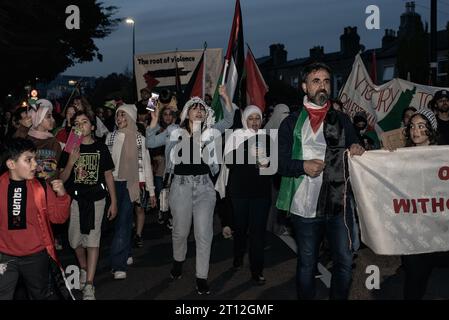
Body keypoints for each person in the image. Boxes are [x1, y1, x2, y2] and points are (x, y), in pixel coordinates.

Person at [276, 62, 365, 300]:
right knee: (307, 263)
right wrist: (302, 166)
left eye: (326, 81)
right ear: (305, 86)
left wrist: (357, 146)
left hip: (339, 203)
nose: (322, 85)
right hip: (304, 206)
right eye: (316, 81)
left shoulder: (343, 119)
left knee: (345, 262)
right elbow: (279, 163)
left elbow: (357, 144)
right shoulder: (290, 122)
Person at [146, 85, 235, 295]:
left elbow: (229, 121)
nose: (199, 111)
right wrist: (154, 116)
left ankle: (201, 277)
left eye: (202, 108)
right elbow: (149, 142)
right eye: (195, 108)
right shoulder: (173, 131)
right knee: (180, 232)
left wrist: (224, 97)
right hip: (180, 187)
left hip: (204, 186)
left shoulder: (211, 132)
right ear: (187, 112)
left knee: (204, 233)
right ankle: (178, 262)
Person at [0, 138, 71, 300]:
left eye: (35, 159)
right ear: (11, 164)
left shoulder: (41, 187)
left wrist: (62, 195)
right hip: (4, 256)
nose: (35, 165)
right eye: (28, 160)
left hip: (35, 255)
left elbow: (59, 218)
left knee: (40, 296)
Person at [58, 111, 117, 300]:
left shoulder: (101, 147)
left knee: (93, 241)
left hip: (97, 200)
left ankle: (90, 284)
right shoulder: (69, 148)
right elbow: (61, 178)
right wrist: (70, 163)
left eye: (84, 122)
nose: (80, 125)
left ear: (92, 127)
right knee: (75, 241)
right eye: (77, 122)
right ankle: (83, 267)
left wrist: (113, 202)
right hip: (76, 201)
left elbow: (108, 175)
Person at [217, 105, 273, 285]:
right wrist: (249, 150)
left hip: (261, 192)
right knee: (240, 229)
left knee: (257, 233)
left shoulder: (267, 138)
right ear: (245, 120)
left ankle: (257, 270)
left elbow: (271, 168)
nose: (255, 122)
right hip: (240, 192)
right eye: (251, 118)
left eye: (258, 118)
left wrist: (266, 163)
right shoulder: (236, 136)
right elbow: (228, 161)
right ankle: (238, 256)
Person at [397, 108, 447, 299]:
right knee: (415, 282)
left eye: (421, 126)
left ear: (431, 129)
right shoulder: (400, 157)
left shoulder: (443, 156)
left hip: (440, 230)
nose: (415, 131)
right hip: (414, 233)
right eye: (412, 126)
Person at [105, 104, 156, 280]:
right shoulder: (109, 137)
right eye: (118, 115)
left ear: (131, 118)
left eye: (123, 115)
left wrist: (151, 191)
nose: (119, 118)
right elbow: (105, 166)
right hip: (113, 184)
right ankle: (125, 252)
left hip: (131, 184)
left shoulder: (139, 139)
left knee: (123, 221)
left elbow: (147, 167)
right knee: (122, 222)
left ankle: (117, 264)